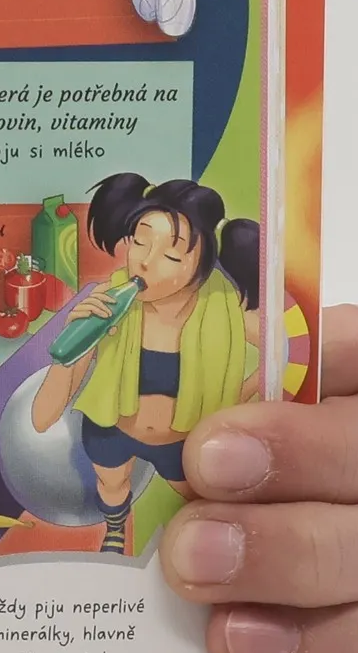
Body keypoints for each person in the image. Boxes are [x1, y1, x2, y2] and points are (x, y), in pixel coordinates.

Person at [31, 173, 260, 552]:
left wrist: (239, 394)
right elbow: (42, 417)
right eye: (139, 241)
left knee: (202, 498)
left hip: (181, 442)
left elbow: (284, 348)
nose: (146, 263)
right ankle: (115, 528)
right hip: (110, 432)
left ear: (204, 263)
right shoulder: (108, 302)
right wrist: (76, 342)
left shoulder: (225, 309)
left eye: (172, 255)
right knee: (112, 485)